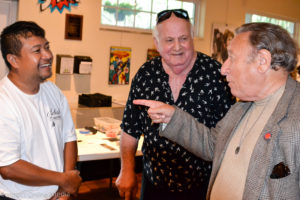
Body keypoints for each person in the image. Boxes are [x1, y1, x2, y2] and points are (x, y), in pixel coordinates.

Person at [134, 22, 300, 199]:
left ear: (262, 61)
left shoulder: (295, 120)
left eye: (232, 58)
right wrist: (173, 117)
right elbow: (213, 145)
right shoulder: (241, 107)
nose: (223, 69)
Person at [115, 9, 235, 200]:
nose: (177, 47)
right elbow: (130, 128)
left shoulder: (216, 75)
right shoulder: (146, 75)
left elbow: (227, 137)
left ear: (193, 37)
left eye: (184, 38)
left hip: (201, 186)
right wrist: (127, 170)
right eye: (169, 40)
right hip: (154, 182)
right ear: (157, 43)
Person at [0, 21, 82, 200]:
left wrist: (63, 190)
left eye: (47, 47)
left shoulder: (53, 91)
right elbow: (8, 167)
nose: (48, 55)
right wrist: (63, 179)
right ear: (13, 60)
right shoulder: (4, 101)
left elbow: (68, 138)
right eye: (37, 51)